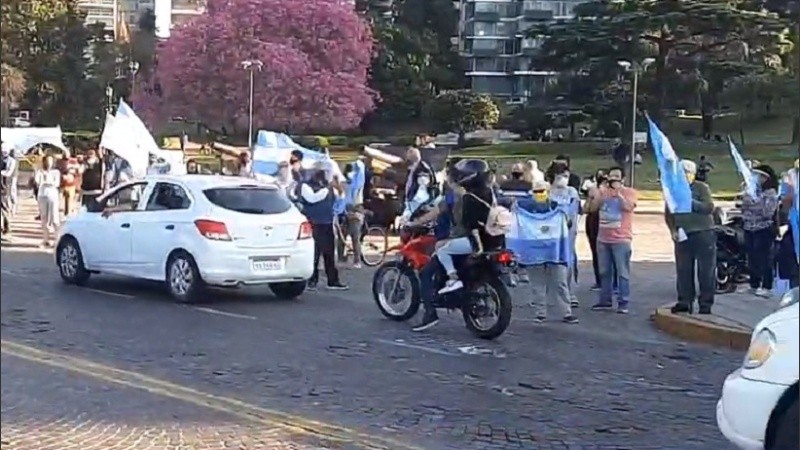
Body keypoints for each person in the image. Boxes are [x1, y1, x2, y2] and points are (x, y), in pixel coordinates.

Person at [407, 165, 466, 331]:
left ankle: (430, 314)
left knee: (425, 273)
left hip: (452, 239)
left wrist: (414, 223)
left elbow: (435, 213)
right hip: (472, 241)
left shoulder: (452, 196)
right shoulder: (473, 193)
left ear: (450, 178)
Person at [435, 159, 505, 294]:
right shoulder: (489, 192)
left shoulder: (468, 197)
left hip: (477, 242)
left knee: (440, 248)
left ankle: (453, 278)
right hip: (494, 240)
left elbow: (468, 224)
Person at [516, 180, 579, 324]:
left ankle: (566, 312)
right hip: (534, 251)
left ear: (548, 191)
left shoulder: (557, 207)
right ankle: (540, 313)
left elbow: (568, 224)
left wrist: (564, 217)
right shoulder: (525, 208)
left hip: (554, 251)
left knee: (560, 282)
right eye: (536, 191)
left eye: (542, 191)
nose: (539, 194)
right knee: (537, 283)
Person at [665, 160, 716, 315]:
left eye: (687, 173)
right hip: (683, 234)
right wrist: (673, 229)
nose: (683, 176)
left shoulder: (701, 188)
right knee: (683, 270)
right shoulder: (673, 190)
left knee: (705, 270)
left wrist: (690, 201)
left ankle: (705, 304)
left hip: (703, 232)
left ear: (693, 174)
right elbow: (668, 212)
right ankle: (684, 301)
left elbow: (708, 208)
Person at [586, 166, 638, 314]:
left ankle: (623, 301)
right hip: (603, 238)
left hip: (621, 238)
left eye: (617, 176)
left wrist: (618, 193)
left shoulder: (629, 192)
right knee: (604, 271)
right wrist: (596, 194)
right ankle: (605, 300)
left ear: (623, 179)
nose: (613, 179)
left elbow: (628, 207)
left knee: (622, 272)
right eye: (611, 176)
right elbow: (592, 208)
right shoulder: (604, 192)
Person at [300, 169, 347, 290]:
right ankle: (311, 280)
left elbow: (341, 198)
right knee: (314, 254)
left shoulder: (328, 188)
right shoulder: (306, 186)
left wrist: (339, 187)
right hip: (313, 223)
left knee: (329, 253)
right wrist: (328, 188)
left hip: (327, 223)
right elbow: (312, 198)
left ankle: (333, 280)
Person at [741, 165, 780, 297]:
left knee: (764, 258)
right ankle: (754, 284)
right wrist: (751, 203)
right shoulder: (751, 191)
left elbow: (767, 212)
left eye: (760, 176)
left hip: (763, 228)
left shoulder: (771, 193)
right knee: (751, 258)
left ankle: (767, 286)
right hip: (749, 228)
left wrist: (752, 204)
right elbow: (743, 207)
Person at [547, 161, 582, 307]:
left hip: (568, 232)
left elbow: (574, 210)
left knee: (568, 262)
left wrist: (568, 221)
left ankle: (570, 293)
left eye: (566, 176)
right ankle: (550, 294)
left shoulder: (571, 192)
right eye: (561, 175)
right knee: (550, 263)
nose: (564, 178)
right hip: (550, 232)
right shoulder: (546, 192)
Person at [336, 158, 367, 268]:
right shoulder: (356, 183)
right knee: (352, 235)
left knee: (346, 235)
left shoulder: (346, 183)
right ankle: (355, 260)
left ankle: (345, 259)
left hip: (348, 208)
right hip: (354, 207)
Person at [583, 169, 606, 289]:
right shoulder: (593, 190)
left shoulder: (608, 192)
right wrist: (590, 197)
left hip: (602, 221)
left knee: (604, 252)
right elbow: (586, 209)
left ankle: (607, 281)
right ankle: (600, 280)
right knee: (596, 251)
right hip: (593, 221)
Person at [34, 155, 62, 247]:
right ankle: (45, 240)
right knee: (44, 218)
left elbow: (56, 183)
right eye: (47, 161)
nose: (48, 163)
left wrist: (47, 180)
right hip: (42, 195)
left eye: (50, 161)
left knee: (54, 218)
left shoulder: (55, 172)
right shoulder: (40, 171)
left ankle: (57, 240)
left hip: (53, 196)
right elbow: (37, 182)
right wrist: (38, 173)